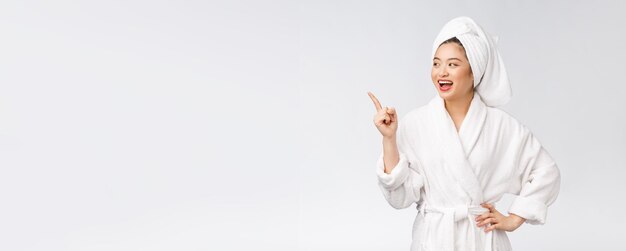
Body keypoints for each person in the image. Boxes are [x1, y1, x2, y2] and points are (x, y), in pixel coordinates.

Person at [368, 16, 560, 251]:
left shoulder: (501, 126)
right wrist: (389, 139)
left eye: (453, 64)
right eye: (436, 63)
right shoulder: (415, 123)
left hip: (482, 240)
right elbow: (399, 198)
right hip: (434, 241)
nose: (441, 73)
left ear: (474, 72)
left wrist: (515, 217)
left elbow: (546, 171)